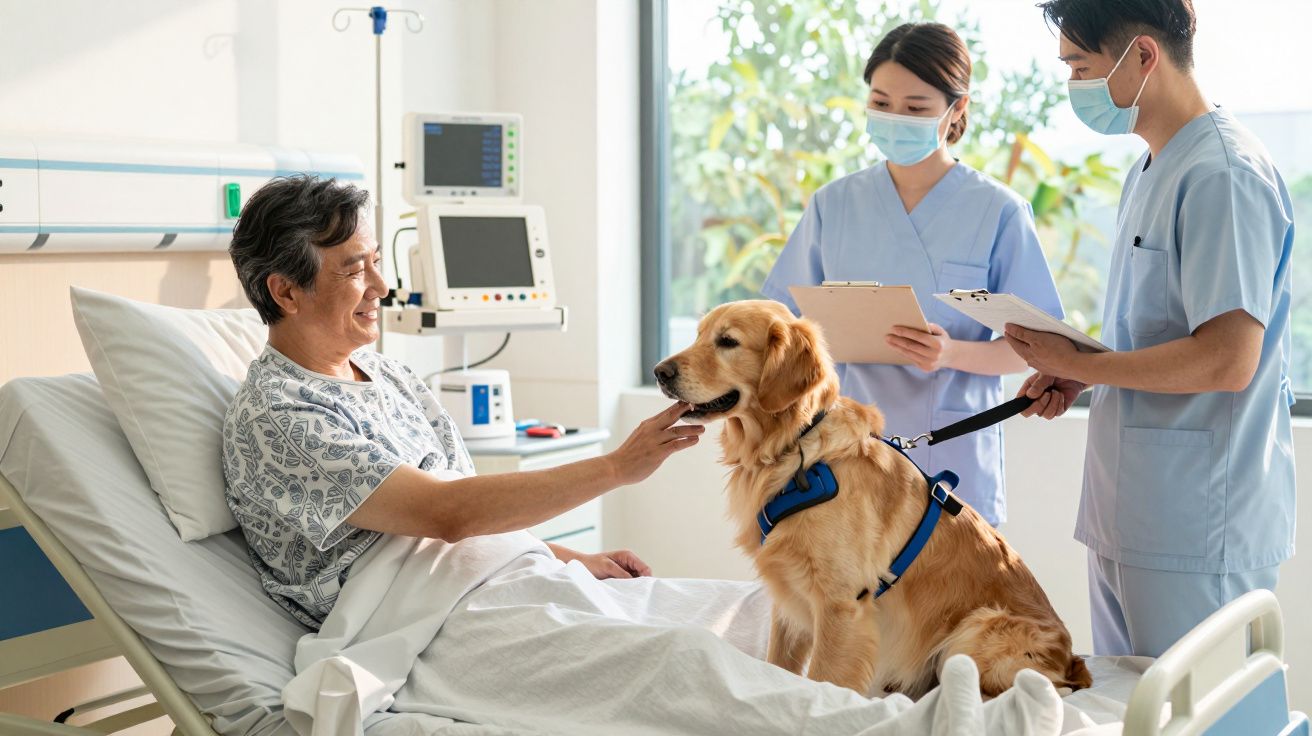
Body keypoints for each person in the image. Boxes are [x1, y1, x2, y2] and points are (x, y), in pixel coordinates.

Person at [220, 175, 1058, 734]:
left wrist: (569, 558)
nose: (380, 285)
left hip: (499, 583)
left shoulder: (389, 377)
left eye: (376, 263)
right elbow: (444, 516)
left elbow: (458, 521)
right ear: (285, 290)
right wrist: (618, 469)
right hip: (424, 627)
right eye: (355, 269)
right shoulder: (284, 417)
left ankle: (917, 711)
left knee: (736, 619)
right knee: (686, 665)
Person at [1007, 0, 1296, 657]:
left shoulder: (1223, 175)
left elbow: (1228, 360)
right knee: (1128, 706)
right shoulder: (1151, 168)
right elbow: (1157, 334)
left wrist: (1081, 363)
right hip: (1132, 514)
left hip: (1198, 525)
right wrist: (1081, 372)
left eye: (1079, 67)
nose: (1071, 85)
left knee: (1203, 709)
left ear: (1142, 56)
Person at [762, 22, 1063, 526]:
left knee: (952, 575)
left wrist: (952, 354)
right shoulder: (833, 205)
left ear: (956, 109)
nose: (895, 118)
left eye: (916, 108)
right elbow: (780, 322)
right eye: (880, 103)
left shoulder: (998, 212)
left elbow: (1038, 347)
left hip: (952, 450)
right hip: (843, 448)